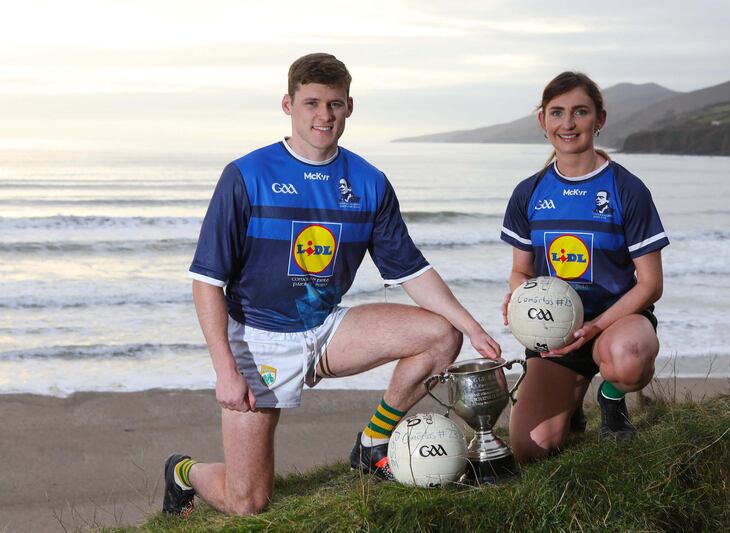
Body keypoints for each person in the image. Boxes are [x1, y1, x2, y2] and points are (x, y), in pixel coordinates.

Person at [162, 53, 501, 517]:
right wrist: (225, 368)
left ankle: (372, 442)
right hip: (258, 339)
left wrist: (472, 326)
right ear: (288, 104)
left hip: (325, 330)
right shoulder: (247, 175)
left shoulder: (369, 182)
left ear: (349, 107)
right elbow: (206, 282)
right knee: (249, 503)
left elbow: (411, 271)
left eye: (335, 104)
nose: (324, 116)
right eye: (312, 103)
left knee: (442, 335)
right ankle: (184, 472)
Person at [500, 71, 668, 463]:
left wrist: (595, 326)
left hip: (616, 324)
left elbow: (650, 285)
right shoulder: (528, 192)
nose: (568, 123)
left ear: (599, 120)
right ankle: (571, 405)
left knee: (627, 359)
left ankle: (611, 400)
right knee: (531, 450)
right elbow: (521, 271)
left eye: (580, 112)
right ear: (542, 121)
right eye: (557, 113)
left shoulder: (627, 189)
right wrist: (518, 298)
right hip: (556, 332)